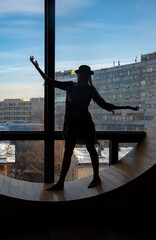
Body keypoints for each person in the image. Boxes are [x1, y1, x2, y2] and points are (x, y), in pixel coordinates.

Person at [30, 56, 139, 190]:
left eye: (85, 76)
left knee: (91, 150)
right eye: (81, 75)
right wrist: (36, 67)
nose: (82, 77)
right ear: (78, 75)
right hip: (72, 125)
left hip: (84, 124)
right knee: (68, 153)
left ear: (88, 77)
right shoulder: (71, 86)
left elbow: (105, 105)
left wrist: (127, 107)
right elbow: (50, 81)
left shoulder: (89, 90)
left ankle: (95, 178)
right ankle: (61, 183)